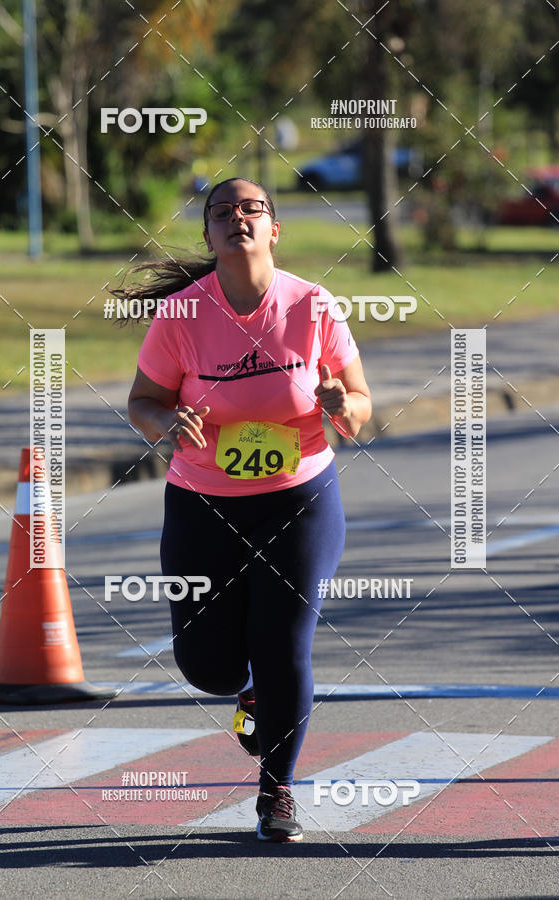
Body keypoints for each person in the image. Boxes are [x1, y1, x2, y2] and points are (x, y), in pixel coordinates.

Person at [125, 176, 372, 842]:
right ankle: (245, 696)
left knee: (282, 644)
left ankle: (277, 793)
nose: (239, 218)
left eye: (252, 209)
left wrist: (344, 408)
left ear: (274, 229)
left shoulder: (312, 305)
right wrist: (165, 421)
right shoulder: (182, 314)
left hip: (301, 498)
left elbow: (359, 401)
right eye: (223, 212)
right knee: (207, 666)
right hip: (203, 502)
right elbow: (141, 402)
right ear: (208, 234)